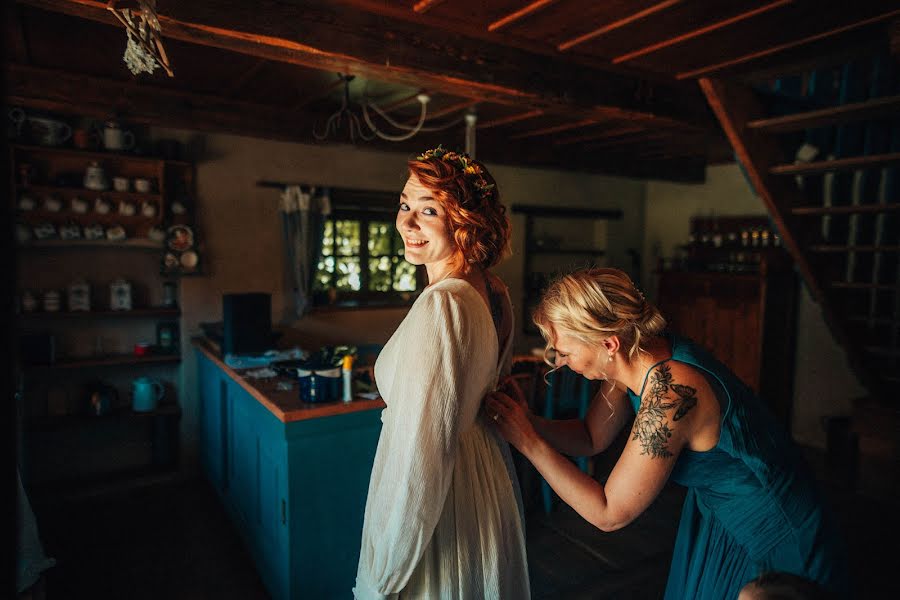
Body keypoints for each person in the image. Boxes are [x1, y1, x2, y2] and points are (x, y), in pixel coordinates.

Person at [486, 267, 849, 599]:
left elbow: (610, 511)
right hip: (722, 515)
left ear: (608, 344)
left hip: (772, 529)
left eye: (564, 351)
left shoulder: (672, 393)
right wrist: (526, 421)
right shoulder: (633, 354)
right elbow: (590, 437)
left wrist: (527, 442)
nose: (560, 361)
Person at [353, 146, 530, 600]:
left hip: (442, 502)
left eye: (429, 210)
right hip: (480, 479)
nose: (407, 223)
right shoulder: (493, 291)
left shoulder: (444, 305)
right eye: (405, 205)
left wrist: (382, 575)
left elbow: (419, 456)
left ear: (466, 222)